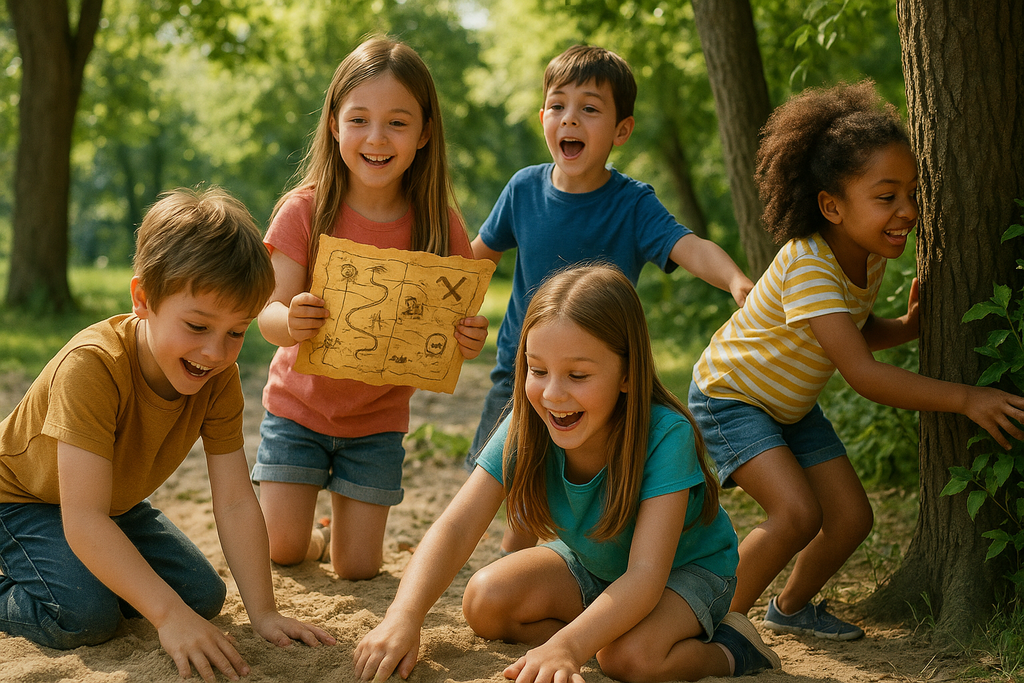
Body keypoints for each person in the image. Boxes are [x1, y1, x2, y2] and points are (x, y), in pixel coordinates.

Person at [688, 81, 1024, 641]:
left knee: (851, 519)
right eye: (886, 196)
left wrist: (906, 329)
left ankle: (789, 608)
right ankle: (711, 624)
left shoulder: (867, 259)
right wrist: (966, 397)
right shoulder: (810, 265)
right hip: (733, 395)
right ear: (831, 206)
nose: (907, 212)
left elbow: (851, 333)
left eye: (912, 194)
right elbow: (861, 374)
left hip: (788, 405)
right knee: (796, 514)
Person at [354, 264, 781, 683]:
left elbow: (646, 577)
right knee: (484, 601)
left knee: (630, 659)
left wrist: (569, 646)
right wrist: (403, 617)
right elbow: (456, 526)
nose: (553, 394)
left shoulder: (667, 435)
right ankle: (600, 634)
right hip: (594, 563)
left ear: (628, 374)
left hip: (684, 573)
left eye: (577, 375)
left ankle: (732, 649)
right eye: (537, 371)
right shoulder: (527, 423)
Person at [0, 188, 336, 682]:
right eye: (197, 325)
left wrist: (263, 612)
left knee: (201, 597)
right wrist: (166, 617)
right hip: (22, 501)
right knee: (85, 616)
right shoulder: (92, 367)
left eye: (236, 332)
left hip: (110, 504)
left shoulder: (217, 376)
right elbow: (83, 519)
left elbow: (237, 502)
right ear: (143, 300)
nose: (215, 352)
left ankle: (86, 578)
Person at [465, 45, 753, 554]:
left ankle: (583, 563)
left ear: (621, 130)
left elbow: (688, 246)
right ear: (543, 118)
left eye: (590, 109)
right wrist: (436, 300)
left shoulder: (632, 203)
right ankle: (517, 564)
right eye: (558, 106)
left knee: (583, 474)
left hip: (596, 378)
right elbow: (476, 259)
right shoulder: (523, 189)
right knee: (509, 481)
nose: (569, 119)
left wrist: (734, 280)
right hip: (522, 369)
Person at [254, 35, 488, 580]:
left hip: (378, 421)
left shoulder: (439, 223)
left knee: (359, 568)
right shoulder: (305, 210)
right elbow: (265, 310)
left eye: (397, 123)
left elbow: (457, 325)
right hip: (297, 409)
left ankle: (341, 530)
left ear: (425, 132)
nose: (376, 138)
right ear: (334, 123)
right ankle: (312, 533)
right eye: (359, 119)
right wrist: (289, 321)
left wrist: (467, 339)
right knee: (283, 549)